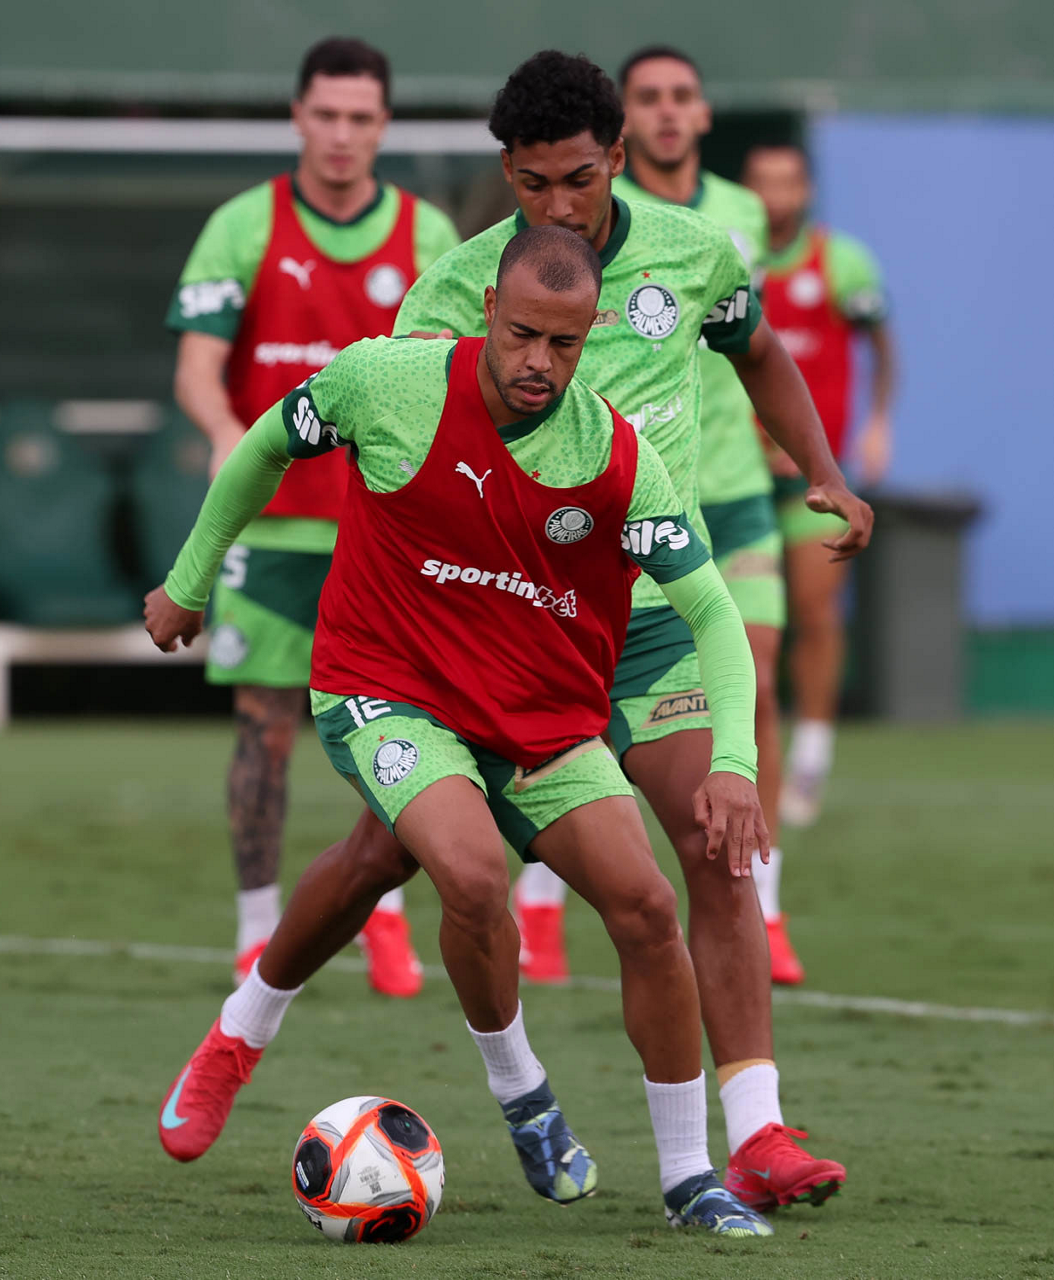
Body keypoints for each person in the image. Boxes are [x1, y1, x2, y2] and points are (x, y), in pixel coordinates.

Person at [148, 52, 869, 1218]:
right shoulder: (444, 299)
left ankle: (746, 1137)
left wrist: (822, 468)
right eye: (532, 185)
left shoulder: (689, 269)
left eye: (578, 180)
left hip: (630, 629)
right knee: (398, 858)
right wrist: (233, 590)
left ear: (617, 158)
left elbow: (760, 356)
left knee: (701, 851)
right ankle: (252, 1027)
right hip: (468, 643)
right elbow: (388, 451)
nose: (558, 208)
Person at [165, 35, 458, 995]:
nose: (340, 134)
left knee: (405, 727)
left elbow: (455, 375)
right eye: (325, 114)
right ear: (298, 116)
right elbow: (197, 368)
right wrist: (222, 428)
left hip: (387, 531)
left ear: (384, 125)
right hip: (272, 526)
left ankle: (385, 918)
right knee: (266, 728)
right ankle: (257, 929)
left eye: (359, 117)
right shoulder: (242, 225)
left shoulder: (427, 236)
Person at [514, 45, 805, 985]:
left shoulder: (726, 226)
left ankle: (766, 902)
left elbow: (754, 345)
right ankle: (534, 904)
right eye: (652, 96)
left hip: (718, 499)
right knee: (531, 777)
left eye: (683, 95)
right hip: (556, 570)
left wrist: (816, 463)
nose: (670, 111)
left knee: (750, 681)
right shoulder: (519, 258)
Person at [741, 142, 895, 830]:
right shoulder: (730, 260)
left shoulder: (842, 263)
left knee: (815, 609)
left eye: (788, 182)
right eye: (763, 182)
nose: (775, 195)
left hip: (817, 480)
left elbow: (883, 348)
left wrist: (878, 424)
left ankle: (811, 753)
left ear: (806, 190)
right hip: (735, 476)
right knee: (739, 631)